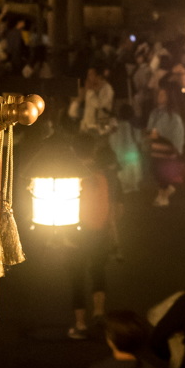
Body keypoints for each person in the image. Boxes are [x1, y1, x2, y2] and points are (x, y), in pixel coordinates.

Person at [67, 134, 111, 339]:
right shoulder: (102, 175)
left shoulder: (74, 176)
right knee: (98, 271)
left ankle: (80, 324)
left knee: (77, 277)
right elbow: (115, 207)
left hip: (77, 233)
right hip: (100, 231)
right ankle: (99, 312)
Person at [146, 86, 185, 207]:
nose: (160, 97)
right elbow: (149, 128)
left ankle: (163, 196)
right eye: (159, 94)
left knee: (163, 173)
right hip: (156, 147)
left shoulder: (173, 115)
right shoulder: (155, 112)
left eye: (163, 95)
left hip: (167, 149)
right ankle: (166, 190)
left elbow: (177, 133)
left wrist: (176, 148)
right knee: (156, 171)